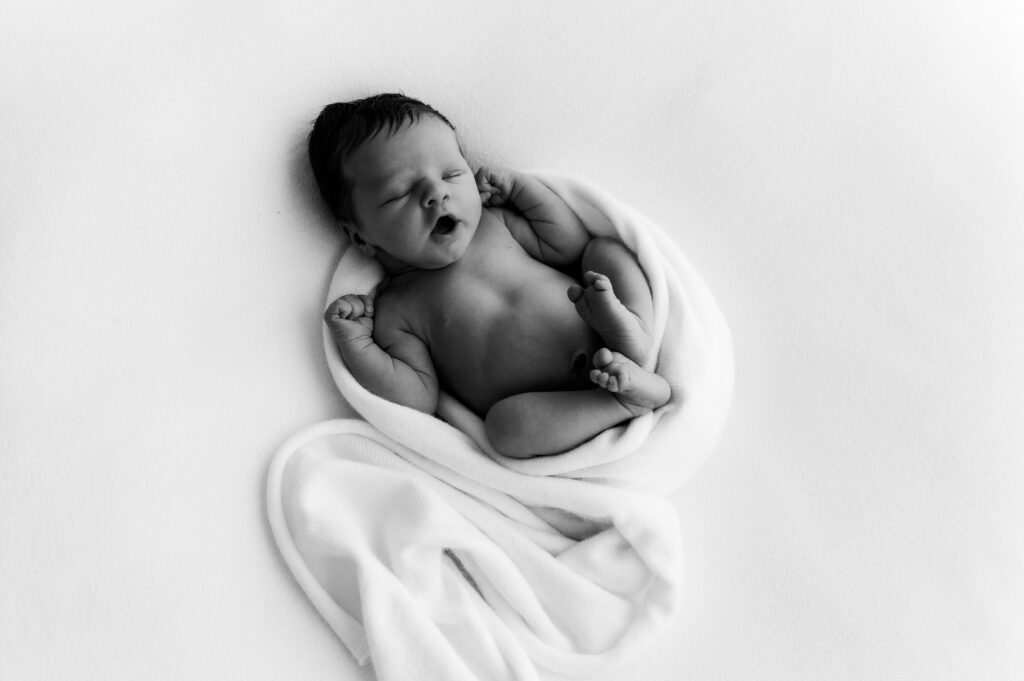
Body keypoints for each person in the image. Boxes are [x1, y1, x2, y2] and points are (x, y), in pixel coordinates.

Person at [309, 93, 670, 458]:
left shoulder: (496, 224)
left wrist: (521, 189)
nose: (437, 192)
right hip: (555, 407)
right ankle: (625, 401)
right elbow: (416, 396)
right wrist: (357, 345)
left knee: (604, 252)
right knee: (504, 429)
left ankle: (632, 331)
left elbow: (569, 245)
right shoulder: (397, 309)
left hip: (597, 328)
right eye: (400, 192)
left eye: (452, 173)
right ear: (359, 236)